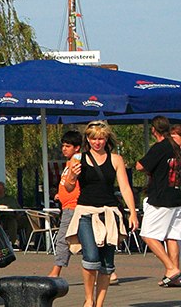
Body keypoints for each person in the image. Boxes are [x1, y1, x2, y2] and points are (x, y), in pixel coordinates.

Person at [66, 120, 138, 307]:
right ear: (87, 139)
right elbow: (67, 186)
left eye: (101, 138)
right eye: (93, 138)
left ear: (107, 139)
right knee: (90, 256)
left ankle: (99, 303)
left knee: (107, 262)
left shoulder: (115, 159)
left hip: (109, 212)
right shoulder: (77, 159)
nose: (97, 142)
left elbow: (124, 187)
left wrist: (133, 213)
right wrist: (73, 175)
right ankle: (89, 299)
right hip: (86, 212)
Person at [137, 116, 181, 286]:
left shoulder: (161, 147)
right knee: (172, 236)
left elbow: (141, 166)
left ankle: (171, 268)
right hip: (177, 196)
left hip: (161, 198)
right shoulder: (177, 147)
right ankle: (175, 276)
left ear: (153, 130)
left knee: (147, 234)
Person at [49, 130, 83, 280]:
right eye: (63, 145)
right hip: (67, 205)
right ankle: (107, 270)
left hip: (74, 207)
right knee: (86, 241)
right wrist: (60, 194)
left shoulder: (77, 160)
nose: (64, 149)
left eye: (67, 146)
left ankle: (56, 271)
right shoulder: (69, 163)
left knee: (62, 239)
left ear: (77, 147)